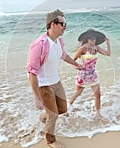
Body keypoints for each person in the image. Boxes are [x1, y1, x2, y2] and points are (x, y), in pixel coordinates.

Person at [27, 9, 82, 148]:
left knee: (63, 110)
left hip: (56, 82)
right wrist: (37, 97)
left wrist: (75, 63)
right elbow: (32, 72)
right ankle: (50, 141)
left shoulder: (59, 41)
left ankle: (43, 117)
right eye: (62, 24)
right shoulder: (39, 44)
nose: (65, 27)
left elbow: (62, 55)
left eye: (65, 24)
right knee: (54, 115)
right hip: (44, 85)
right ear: (53, 24)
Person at [69, 29, 111, 120]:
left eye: (95, 38)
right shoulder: (82, 48)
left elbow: (108, 54)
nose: (94, 40)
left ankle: (98, 114)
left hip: (93, 75)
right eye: (92, 38)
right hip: (83, 75)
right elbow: (72, 61)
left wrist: (108, 43)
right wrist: (77, 66)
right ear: (87, 39)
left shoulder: (96, 48)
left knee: (98, 95)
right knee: (78, 93)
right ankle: (68, 107)